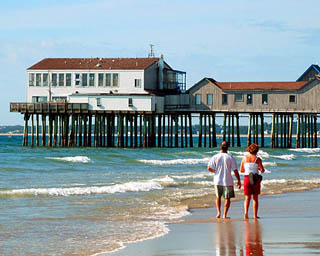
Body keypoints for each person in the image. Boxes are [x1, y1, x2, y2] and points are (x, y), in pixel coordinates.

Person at [208, 141, 241, 219]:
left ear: (220, 147)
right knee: (227, 198)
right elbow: (235, 170)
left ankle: (218, 212)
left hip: (217, 180)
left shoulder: (215, 156)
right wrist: (239, 180)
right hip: (228, 180)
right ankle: (225, 215)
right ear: (228, 148)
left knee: (218, 197)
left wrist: (216, 171)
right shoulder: (230, 157)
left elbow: (209, 168)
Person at [240, 143, 265, 219]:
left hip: (247, 178)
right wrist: (257, 168)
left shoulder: (244, 158)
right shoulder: (258, 159)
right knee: (255, 198)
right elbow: (262, 170)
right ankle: (255, 215)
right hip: (255, 179)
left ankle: (246, 213)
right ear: (257, 151)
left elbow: (241, 170)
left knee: (247, 198)